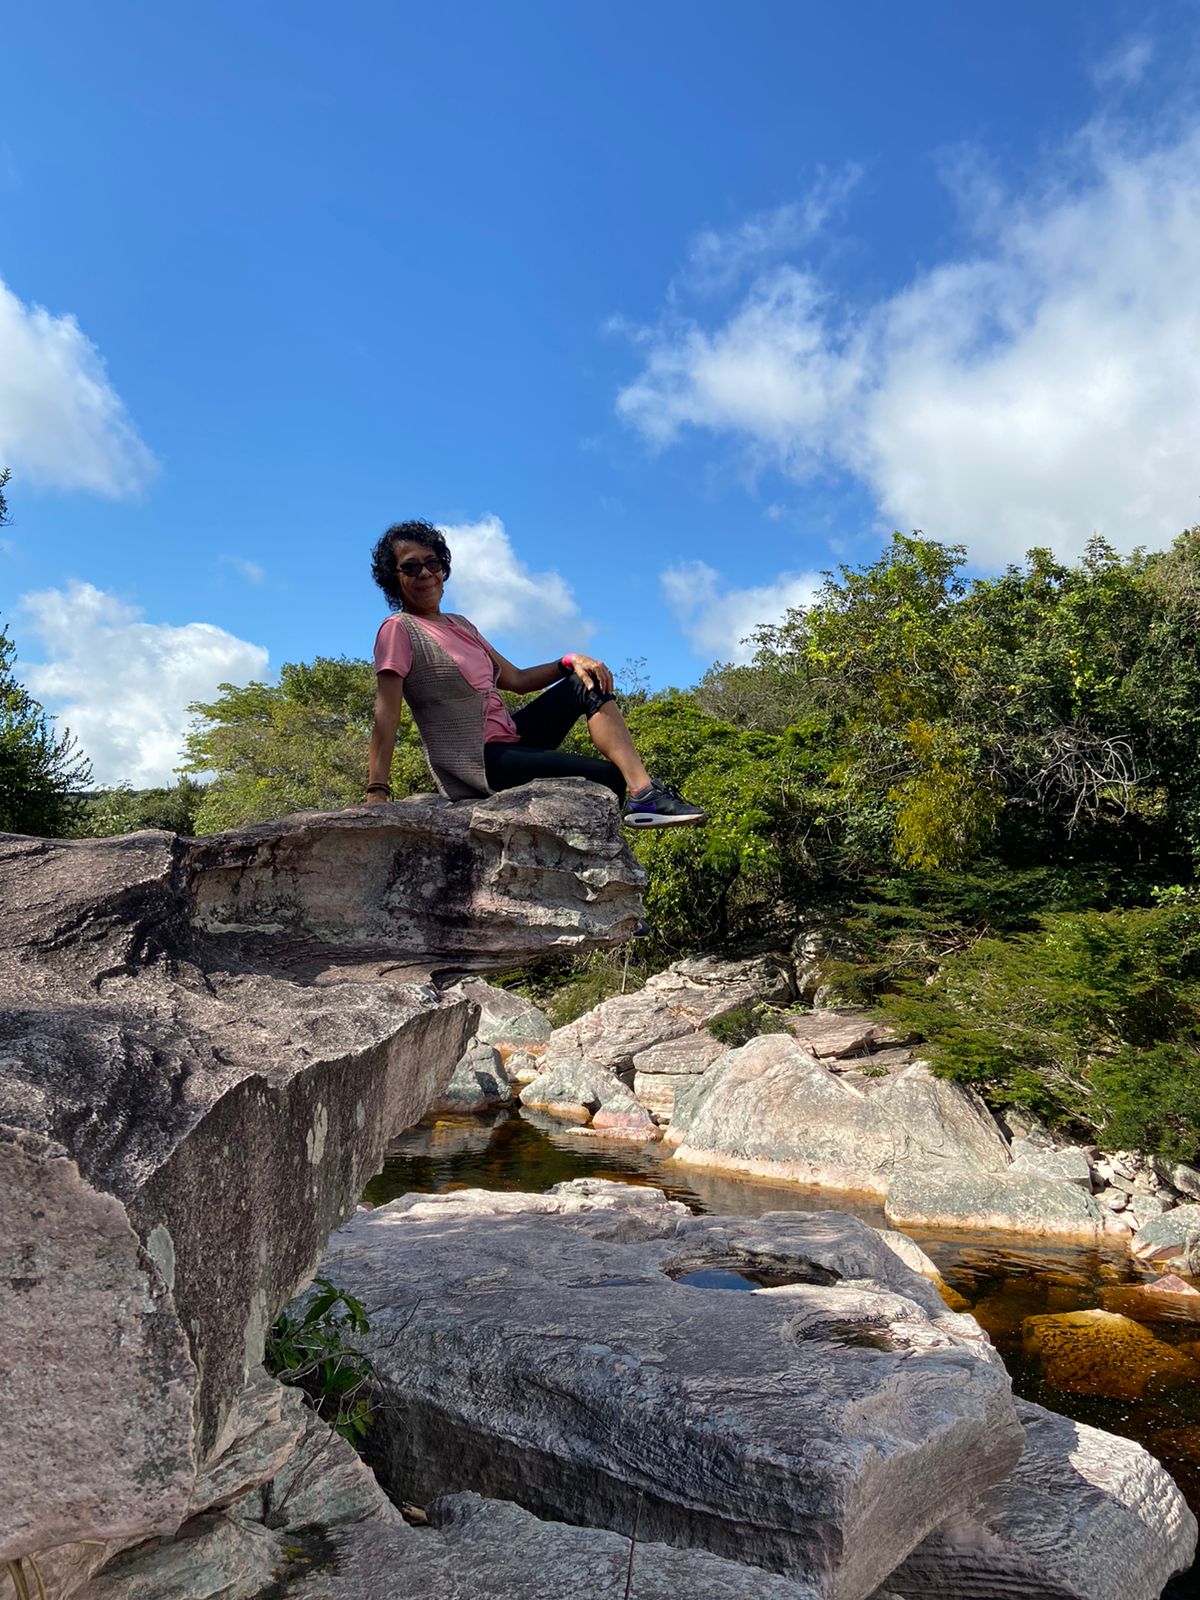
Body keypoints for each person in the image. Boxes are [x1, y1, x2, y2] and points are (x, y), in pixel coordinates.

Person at [364, 519, 706, 828]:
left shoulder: (461, 625)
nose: (424, 573)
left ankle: (643, 792)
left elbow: (517, 680)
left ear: (443, 568)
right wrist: (377, 791)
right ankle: (640, 793)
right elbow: (387, 714)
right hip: (478, 760)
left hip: (511, 740)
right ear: (393, 578)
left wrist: (568, 660)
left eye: (432, 563)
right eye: (410, 567)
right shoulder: (399, 629)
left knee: (583, 681)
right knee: (606, 778)